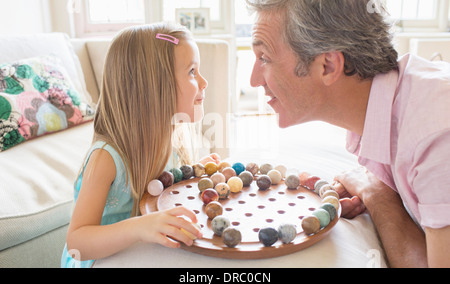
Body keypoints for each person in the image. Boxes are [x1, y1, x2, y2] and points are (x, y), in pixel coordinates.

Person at [246, 0, 450, 268]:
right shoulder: (387, 108)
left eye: (264, 58)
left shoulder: (436, 134)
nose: (253, 79)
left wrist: (377, 194)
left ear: (328, 66)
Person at [61, 23, 215, 268]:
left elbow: (165, 195)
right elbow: (77, 245)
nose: (204, 82)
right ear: (153, 87)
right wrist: (139, 227)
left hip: (147, 254)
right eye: (192, 72)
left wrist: (193, 174)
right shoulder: (107, 159)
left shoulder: (173, 141)